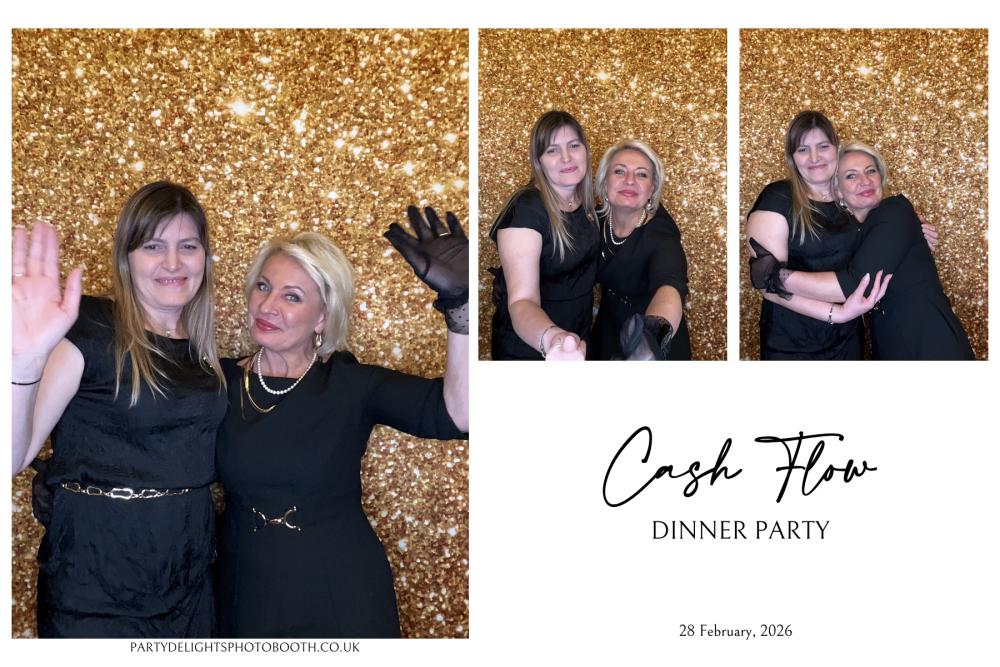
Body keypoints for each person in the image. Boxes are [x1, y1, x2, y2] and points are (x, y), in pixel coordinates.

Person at [214, 206, 469, 638]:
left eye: (292, 297)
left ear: (322, 316)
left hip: (341, 594)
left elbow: (458, 415)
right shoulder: (217, 381)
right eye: (263, 286)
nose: (267, 306)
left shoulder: (352, 385)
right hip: (245, 593)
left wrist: (460, 306)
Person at [12, 181, 227, 637]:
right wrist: (23, 364)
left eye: (188, 246)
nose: (173, 263)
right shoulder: (90, 327)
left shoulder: (205, 357)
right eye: (153, 246)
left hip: (188, 580)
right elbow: (11, 456)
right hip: (94, 583)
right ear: (127, 258)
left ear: (205, 259)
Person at [752, 143, 974, 360]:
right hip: (888, 345)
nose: (865, 181)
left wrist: (775, 277)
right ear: (837, 190)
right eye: (851, 176)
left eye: (871, 171)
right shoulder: (852, 236)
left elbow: (853, 284)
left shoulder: (894, 211)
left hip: (931, 343)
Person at [488, 110, 600, 360]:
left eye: (574, 145)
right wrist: (553, 340)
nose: (566, 157)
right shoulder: (526, 210)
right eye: (552, 150)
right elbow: (522, 301)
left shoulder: (585, 204)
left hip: (578, 337)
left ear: (585, 151)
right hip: (531, 347)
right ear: (539, 161)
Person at [589, 139, 692, 360]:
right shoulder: (594, 220)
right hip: (607, 330)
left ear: (652, 188)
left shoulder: (661, 236)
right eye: (619, 171)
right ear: (604, 182)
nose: (629, 180)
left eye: (641, 174)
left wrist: (646, 346)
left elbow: (669, 287)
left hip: (651, 342)